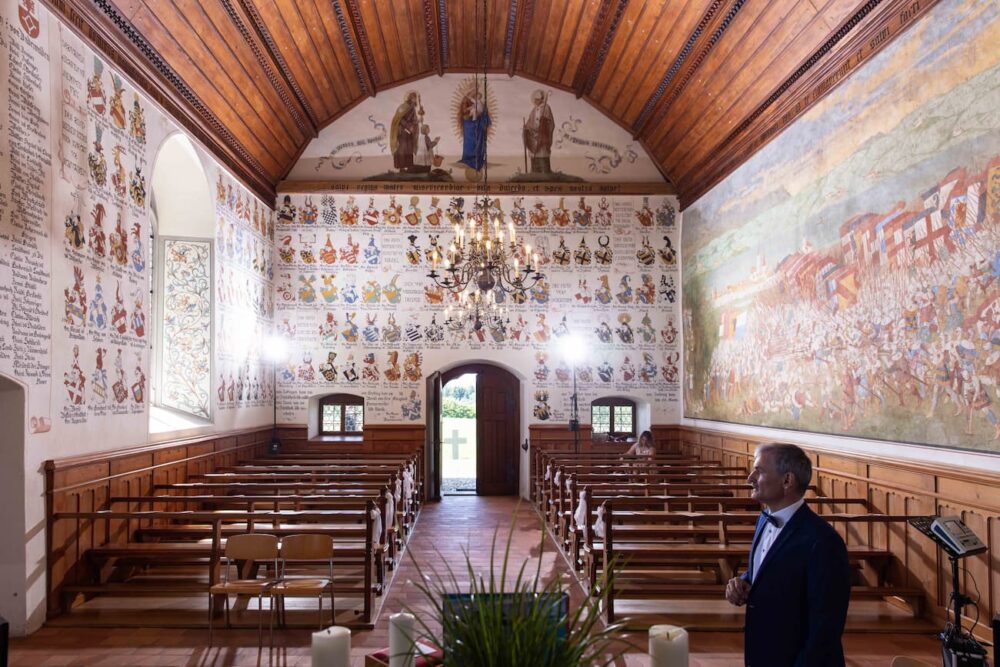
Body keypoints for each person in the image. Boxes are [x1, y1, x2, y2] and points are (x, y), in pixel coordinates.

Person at [725, 443, 850, 666]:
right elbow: (771, 570)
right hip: (765, 653)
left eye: (759, 471)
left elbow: (825, 627)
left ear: (787, 481)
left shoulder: (823, 542)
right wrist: (744, 582)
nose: (750, 478)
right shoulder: (764, 518)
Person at [523, 89, 554, 174]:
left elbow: (549, 123)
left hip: (543, 136)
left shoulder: (546, 108)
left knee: (542, 153)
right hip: (534, 137)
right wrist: (526, 127)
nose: (535, 101)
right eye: (535, 99)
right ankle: (535, 172)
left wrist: (542, 126)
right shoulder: (534, 110)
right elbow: (530, 122)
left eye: (537, 99)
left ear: (541, 99)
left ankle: (545, 172)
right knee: (534, 154)